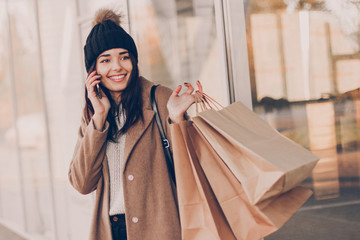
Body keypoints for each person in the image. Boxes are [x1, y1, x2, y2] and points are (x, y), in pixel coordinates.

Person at [68, 9, 201, 240]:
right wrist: (99, 118)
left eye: (124, 56)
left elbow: (191, 168)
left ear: (134, 60)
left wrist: (178, 119)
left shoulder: (160, 99)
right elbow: (82, 183)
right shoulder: (92, 113)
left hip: (161, 228)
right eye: (105, 60)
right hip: (113, 230)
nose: (117, 66)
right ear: (94, 71)